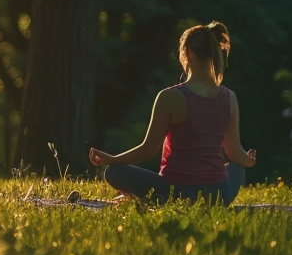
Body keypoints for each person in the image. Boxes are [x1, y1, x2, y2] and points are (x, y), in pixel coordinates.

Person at [89, 21, 256, 205]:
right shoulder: (230, 98)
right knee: (237, 169)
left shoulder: (170, 97)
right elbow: (235, 153)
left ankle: (147, 198)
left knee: (114, 172)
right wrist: (248, 160)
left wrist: (113, 159)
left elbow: (148, 149)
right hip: (218, 195)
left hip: (177, 194)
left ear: (188, 53)